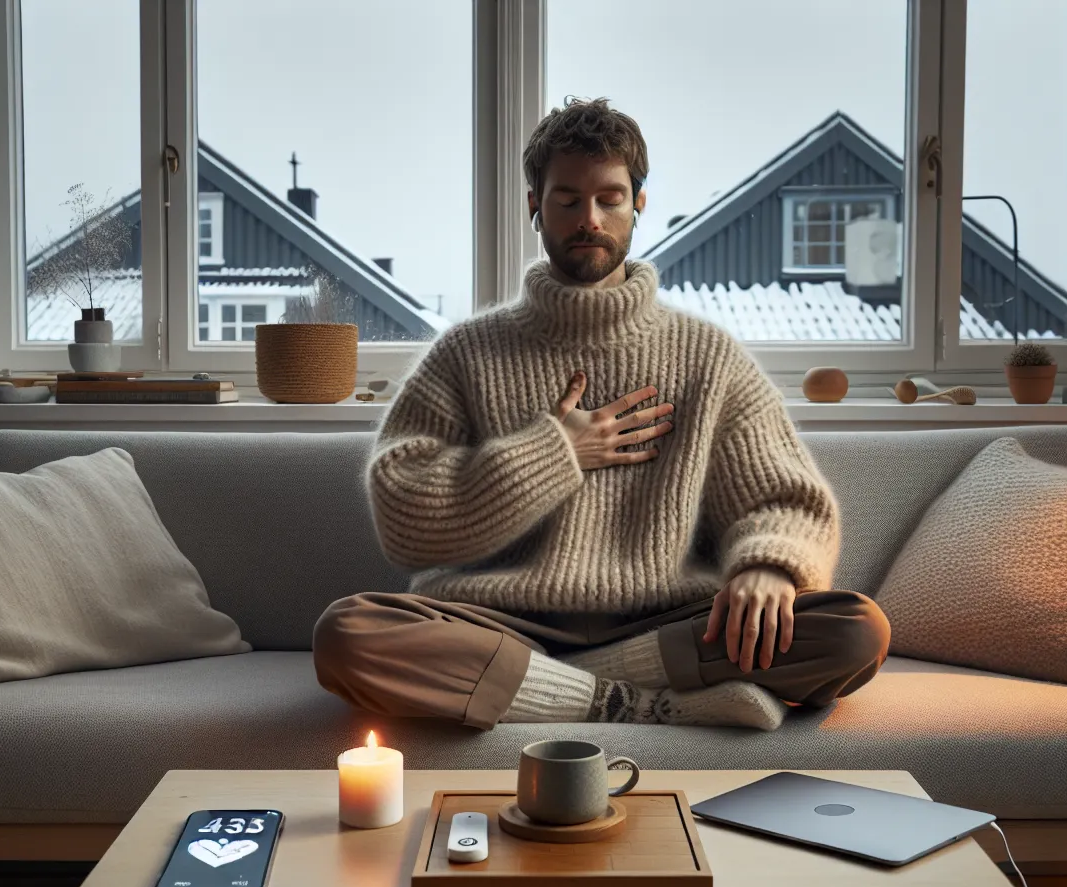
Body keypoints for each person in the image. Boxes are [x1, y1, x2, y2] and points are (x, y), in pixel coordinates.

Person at [313, 97, 888, 731]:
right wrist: (555, 452)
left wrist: (768, 564)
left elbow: (785, 499)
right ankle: (635, 702)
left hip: (663, 622)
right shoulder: (466, 352)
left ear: (638, 202)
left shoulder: (708, 357)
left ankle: (548, 688)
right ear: (534, 205)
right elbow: (403, 516)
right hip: (502, 625)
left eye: (609, 199)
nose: (589, 219)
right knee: (348, 635)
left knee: (854, 630)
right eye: (567, 200)